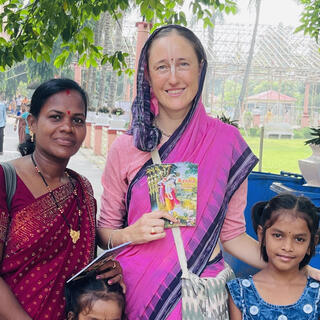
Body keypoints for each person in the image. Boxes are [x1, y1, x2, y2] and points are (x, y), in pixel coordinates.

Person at [97, 25, 320, 319]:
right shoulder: (127, 147)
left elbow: (233, 235)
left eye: (183, 64)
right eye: (162, 67)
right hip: (138, 295)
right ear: (148, 76)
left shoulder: (227, 143)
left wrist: (305, 269)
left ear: (200, 68)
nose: (174, 77)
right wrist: (130, 232)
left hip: (202, 299)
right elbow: (104, 234)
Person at [0, 78, 123, 320]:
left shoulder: (83, 190)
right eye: (56, 117)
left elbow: (76, 271)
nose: (67, 127)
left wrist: (105, 271)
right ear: (32, 123)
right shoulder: (5, 180)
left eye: (77, 120)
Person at [227, 194, 320, 319]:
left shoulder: (317, 294)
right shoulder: (240, 292)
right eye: (277, 235)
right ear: (261, 235)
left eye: (299, 239)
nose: (287, 247)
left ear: (311, 243)